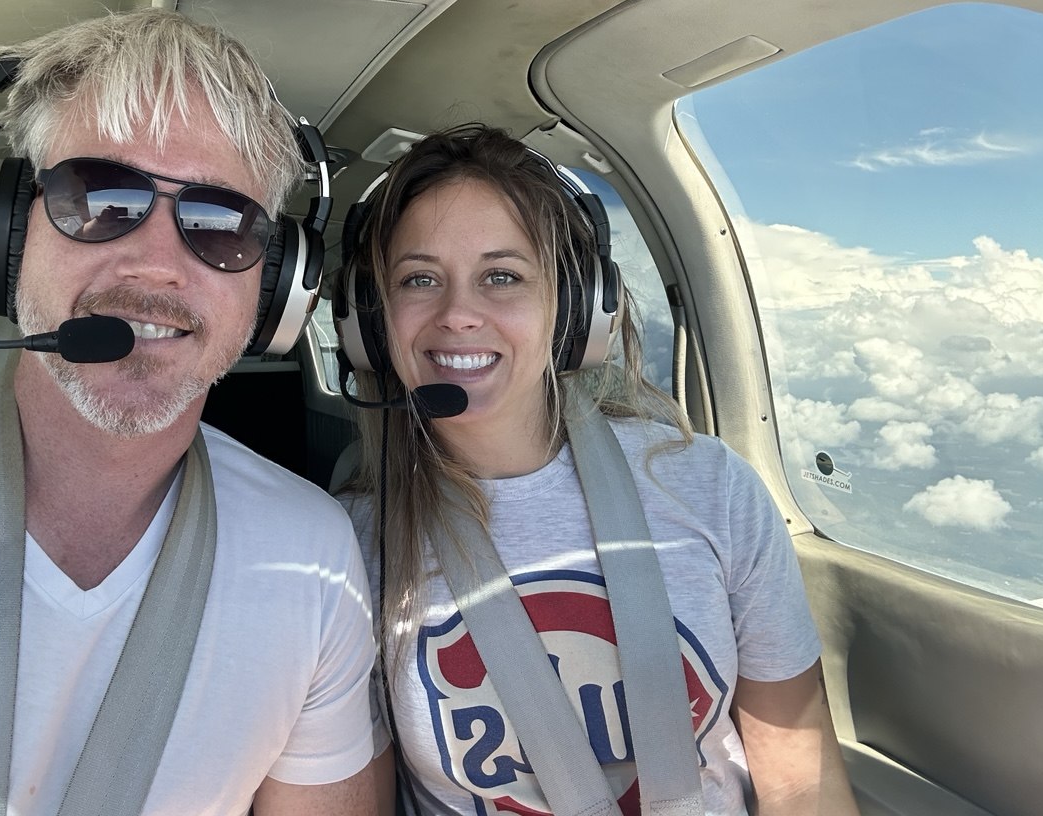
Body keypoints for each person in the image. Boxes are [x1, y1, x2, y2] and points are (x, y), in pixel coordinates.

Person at [0, 9, 377, 815]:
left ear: (275, 289)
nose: (157, 265)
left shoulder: (313, 558)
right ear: (4, 236)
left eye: (221, 224)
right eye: (99, 198)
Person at [334, 124, 859, 815]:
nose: (458, 314)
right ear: (371, 324)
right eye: (419, 279)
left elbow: (799, 780)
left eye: (502, 276)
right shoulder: (348, 547)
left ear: (576, 307)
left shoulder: (711, 488)